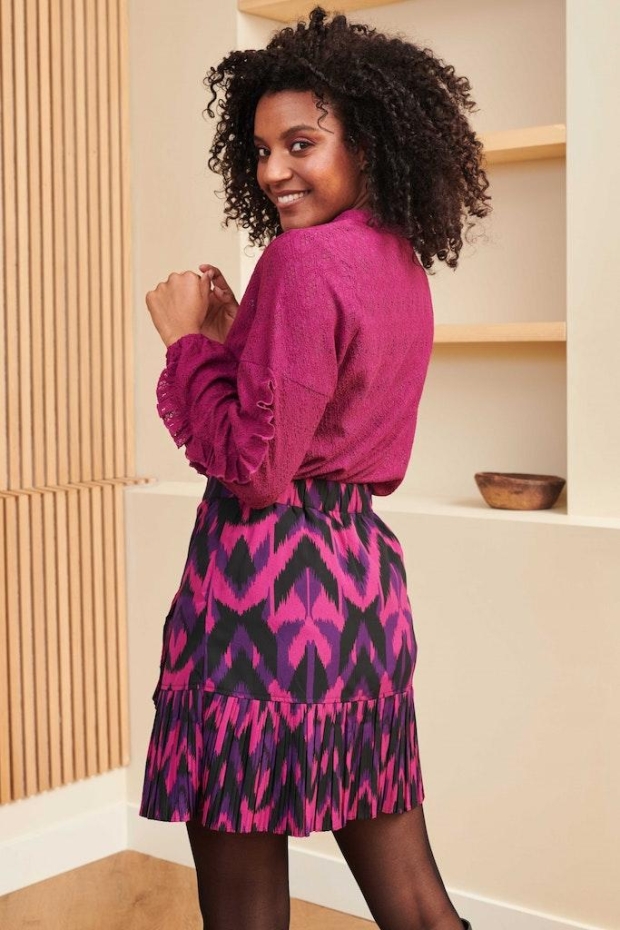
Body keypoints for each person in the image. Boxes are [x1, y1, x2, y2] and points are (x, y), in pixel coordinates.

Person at [140, 7, 491, 930]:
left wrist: (184, 344)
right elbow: (316, 411)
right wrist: (235, 337)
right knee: (414, 897)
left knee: (244, 903)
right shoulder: (395, 259)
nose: (272, 172)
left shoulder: (301, 260)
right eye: (261, 151)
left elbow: (255, 468)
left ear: (366, 143)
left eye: (300, 144)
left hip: (262, 593)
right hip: (358, 590)